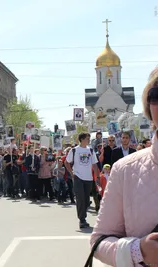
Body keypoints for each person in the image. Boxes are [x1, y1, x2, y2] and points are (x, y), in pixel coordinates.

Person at [90, 67, 158, 266]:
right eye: (157, 94)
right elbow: (99, 240)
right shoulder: (126, 170)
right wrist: (138, 252)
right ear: (149, 107)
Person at [64, 132, 100, 229]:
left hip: (88, 178)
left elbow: (95, 164)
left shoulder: (91, 151)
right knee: (80, 198)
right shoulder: (74, 150)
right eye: (87, 139)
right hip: (78, 178)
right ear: (82, 139)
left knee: (86, 200)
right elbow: (66, 162)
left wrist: (97, 177)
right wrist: (72, 173)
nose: (89, 140)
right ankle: (82, 219)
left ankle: (83, 217)